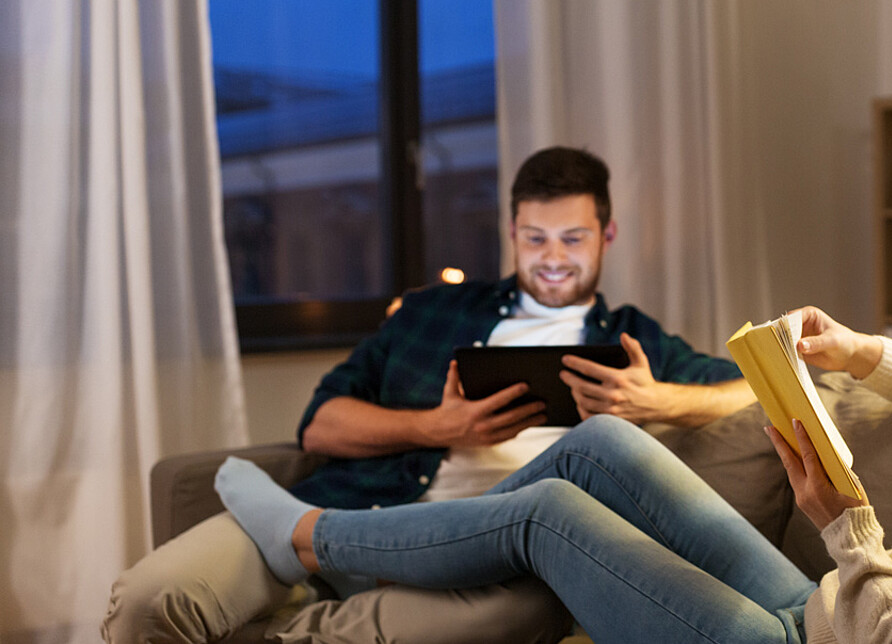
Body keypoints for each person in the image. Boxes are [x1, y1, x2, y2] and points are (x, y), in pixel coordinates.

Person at [210, 175, 892, 643]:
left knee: (546, 516)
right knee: (607, 445)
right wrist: (851, 351)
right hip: (827, 610)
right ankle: (355, 546)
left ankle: (310, 540)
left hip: (823, 639)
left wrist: (844, 528)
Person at [103, 146, 756, 644]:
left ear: (606, 236)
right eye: (535, 238)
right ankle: (301, 545)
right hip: (361, 503)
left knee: (535, 594)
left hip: (490, 553)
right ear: (511, 232)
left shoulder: (635, 340)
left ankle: (301, 587)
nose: (552, 257)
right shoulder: (429, 313)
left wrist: (657, 402)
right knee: (148, 601)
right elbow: (319, 426)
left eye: (572, 238)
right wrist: (437, 426)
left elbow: (749, 390)